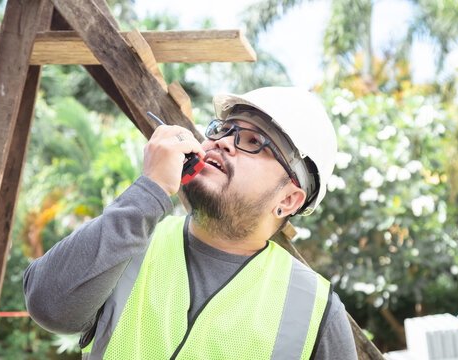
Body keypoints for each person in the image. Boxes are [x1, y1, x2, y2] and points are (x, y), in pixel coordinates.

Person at [24, 87, 358, 360]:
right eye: (223, 129)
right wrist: (150, 189)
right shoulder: (131, 237)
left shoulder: (315, 309)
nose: (224, 141)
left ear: (288, 200)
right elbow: (48, 306)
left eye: (254, 142)